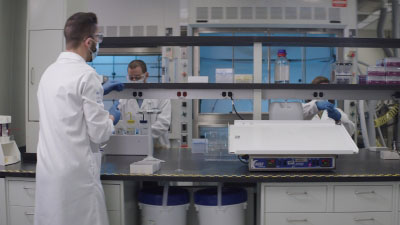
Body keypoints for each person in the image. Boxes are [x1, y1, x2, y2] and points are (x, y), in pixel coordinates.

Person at [35, 12, 124, 225]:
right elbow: (99, 133)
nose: (98, 43)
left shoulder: (49, 72)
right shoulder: (87, 74)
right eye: (98, 38)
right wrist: (111, 117)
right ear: (88, 41)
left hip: (49, 173)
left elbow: (68, 107)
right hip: (76, 175)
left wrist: (98, 92)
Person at [118, 60, 172, 148]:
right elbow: (120, 123)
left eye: (137, 77)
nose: (134, 80)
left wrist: (142, 135)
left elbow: (163, 123)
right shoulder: (124, 98)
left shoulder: (160, 94)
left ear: (146, 75)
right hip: (132, 147)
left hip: (158, 147)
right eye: (131, 78)